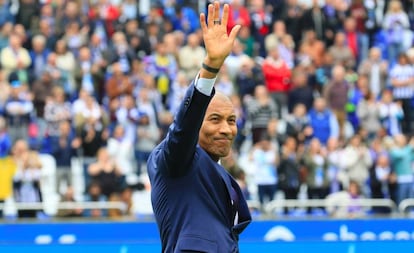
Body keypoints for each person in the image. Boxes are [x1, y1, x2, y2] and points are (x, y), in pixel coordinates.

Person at [147, 2, 251, 252]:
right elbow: (184, 127)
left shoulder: (219, 172)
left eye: (231, 121)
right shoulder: (171, 159)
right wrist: (210, 68)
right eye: (214, 120)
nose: (226, 129)